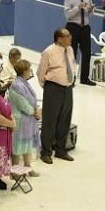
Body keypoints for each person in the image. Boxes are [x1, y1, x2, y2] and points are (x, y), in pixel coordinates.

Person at [37, 27, 75, 163]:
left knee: (65, 119)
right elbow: (41, 72)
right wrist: (48, 86)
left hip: (68, 88)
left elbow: (71, 65)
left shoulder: (70, 49)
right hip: (53, 88)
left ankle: (61, 150)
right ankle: (45, 151)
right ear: (59, 39)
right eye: (68, 36)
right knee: (50, 121)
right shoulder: (49, 52)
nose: (71, 38)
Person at [7, 60, 40, 175]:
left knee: (28, 145)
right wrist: (35, 112)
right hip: (20, 120)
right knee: (17, 147)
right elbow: (23, 105)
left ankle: (28, 167)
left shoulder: (24, 82)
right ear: (24, 71)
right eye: (29, 69)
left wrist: (36, 109)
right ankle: (14, 172)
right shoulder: (17, 85)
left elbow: (32, 100)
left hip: (28, 120)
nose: (30, 72)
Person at [64, 0, 95, 85]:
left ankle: (84, 78)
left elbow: (89, 14)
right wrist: (78, 7)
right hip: (73, 27)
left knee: (87, 53)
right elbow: (67, 15)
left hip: (85, 27)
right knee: (72, 53)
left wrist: (91, 9)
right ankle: (71, 78)